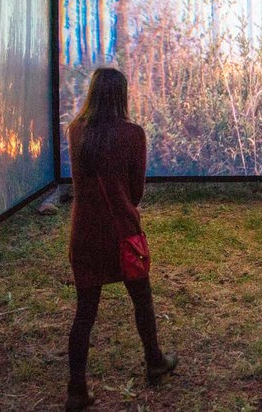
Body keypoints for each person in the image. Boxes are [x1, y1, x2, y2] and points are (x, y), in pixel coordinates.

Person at [65, 68, 177, 410]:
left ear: (93, 93)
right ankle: (154, 361)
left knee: (84, 313)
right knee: (142, 301)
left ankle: (76, 391)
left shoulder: (75, 131)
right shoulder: (133, 134)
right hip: (122, 234)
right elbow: (136, 192)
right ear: (122, 96)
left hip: (84, 234)